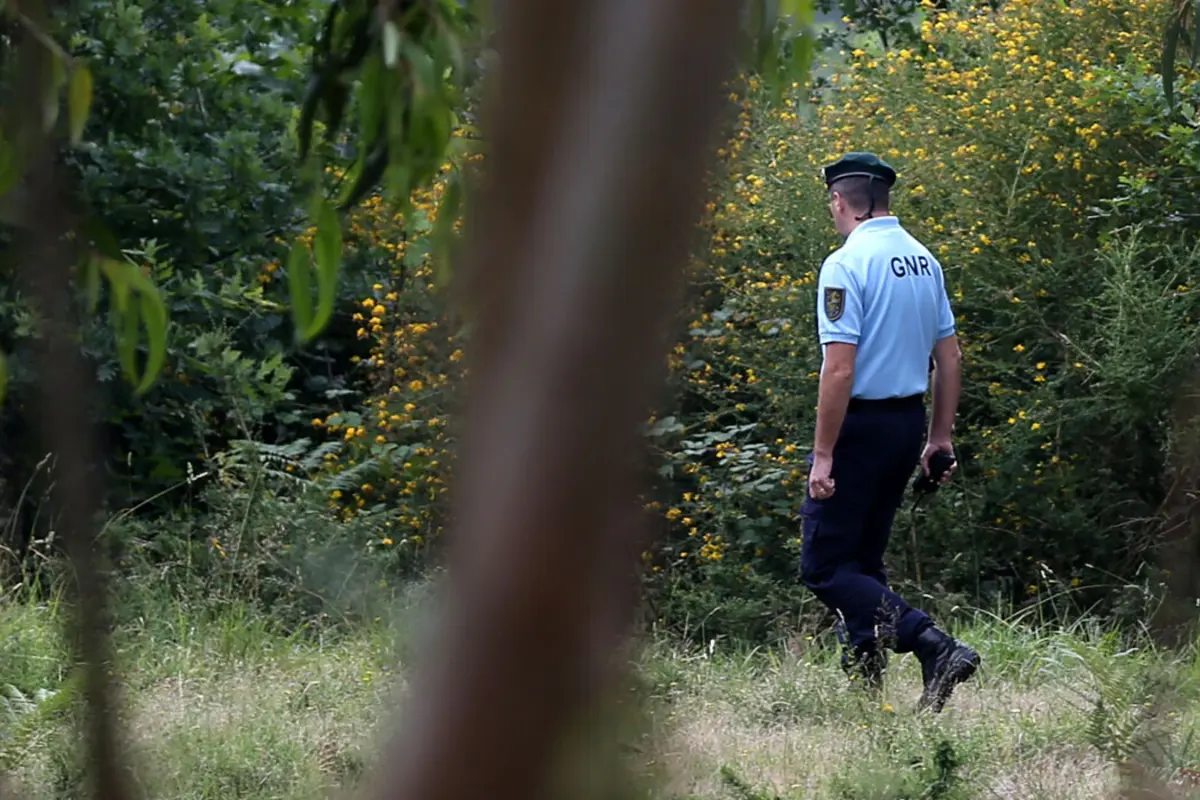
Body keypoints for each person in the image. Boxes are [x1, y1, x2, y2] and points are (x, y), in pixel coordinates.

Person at [799, 151, 979, 713]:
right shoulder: (924, 261)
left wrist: (823, 454)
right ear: (885, 197)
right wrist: (939, 437)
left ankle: (933, 644)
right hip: (905, 424)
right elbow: (949, 358)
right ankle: (867, 694)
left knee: (825, 567)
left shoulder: (845, 265)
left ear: (839, 201)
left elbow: (839, 370)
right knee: (863, 563)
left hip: (859, 427)